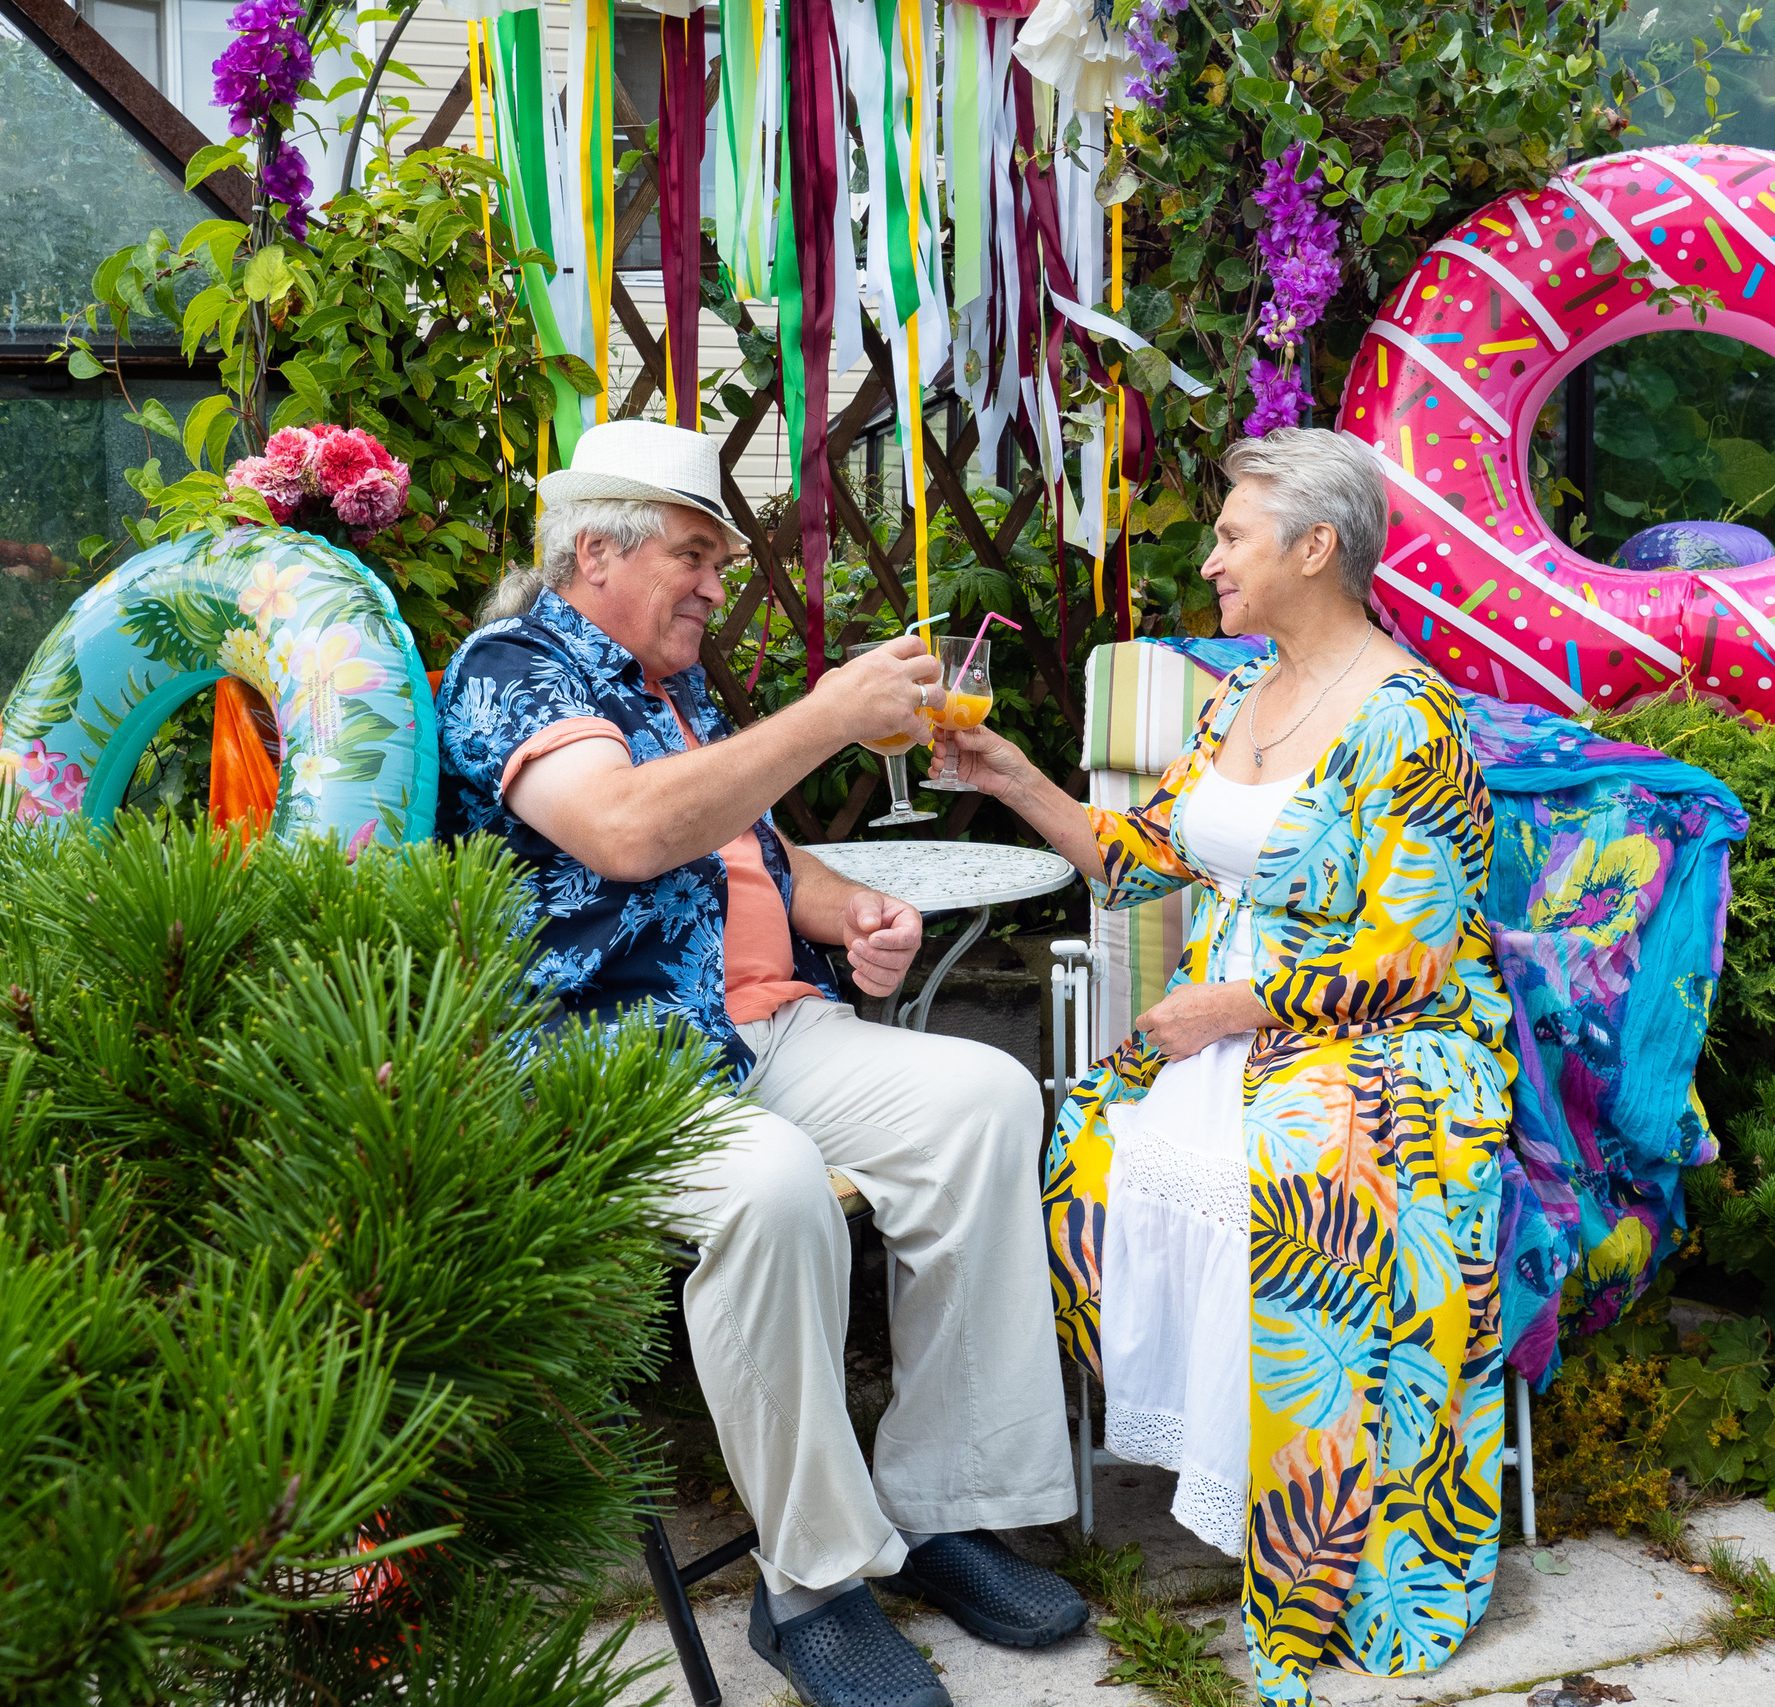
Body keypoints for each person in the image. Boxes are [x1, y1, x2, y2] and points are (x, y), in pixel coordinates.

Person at [436, 419, 1086, 1707]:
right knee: (773, 1185)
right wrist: (828, 716)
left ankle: (939, 1507)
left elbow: (763, 858)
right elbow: (623, 832)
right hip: (601, 1064)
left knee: (985, 1098)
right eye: (696, 556)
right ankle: (815, 1583)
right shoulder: (516, 672)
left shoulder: (678, 689)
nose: (715, 588)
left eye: (722, 565)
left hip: (752, 1027)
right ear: (595, 550)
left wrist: (853, 915)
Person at [938, 427, 1520, 1705]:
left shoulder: (1408, 719)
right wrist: (1013, 775)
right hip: (1231, 1023)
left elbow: (1413, 956)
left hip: (1382, 1045)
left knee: (1304, 1177)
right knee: (1084, 1151)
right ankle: (1214, 1465)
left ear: (1317, 548)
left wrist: (1230, 1011)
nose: (1208, 561)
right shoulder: (1235, 696)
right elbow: (1144, 854)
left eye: (1231, 537)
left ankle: (1313, 1558)